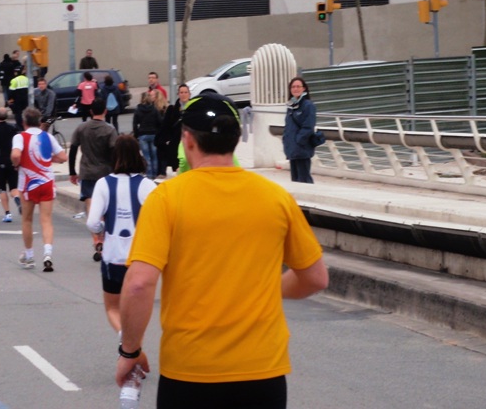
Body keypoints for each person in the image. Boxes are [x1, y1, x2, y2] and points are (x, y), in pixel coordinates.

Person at [116, 94, 329, 406]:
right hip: (262, 372)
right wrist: (269, 288)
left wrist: (130, 351)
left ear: (187, 141)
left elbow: (138, 284)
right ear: (236, 139)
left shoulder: (166, 199)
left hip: (190, 372)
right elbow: (315, 279)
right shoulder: (275, 198)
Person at [87, 134, 156, 333]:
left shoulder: (103, 184)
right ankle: (133, 345)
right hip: (139, 259)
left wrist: (100, 233)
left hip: (113, 257)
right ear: (138, 156)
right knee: (138, 312)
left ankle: (124, 340)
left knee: (113, 308)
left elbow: (93, 222)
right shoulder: (147, 186)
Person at [11, 107, 67, 272]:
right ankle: (47, 254)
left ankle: (29, 255)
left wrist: (17, 164)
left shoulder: (20, 137)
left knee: (27, 219)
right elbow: (63, 157)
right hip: (47, 182)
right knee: (46, 220)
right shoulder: (48, 137)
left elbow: (15, 155)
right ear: (40, 122)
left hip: (28, 183)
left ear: (24, 122)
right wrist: (50, 159)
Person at [68, 97, 118, 259]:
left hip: (87, 173)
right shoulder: (110, 130)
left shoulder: (82, 128)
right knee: (105, 208)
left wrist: (72, 172)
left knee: (91, 208)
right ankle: (104, 238)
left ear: (90, 111)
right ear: (105, 111)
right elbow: (114, 153)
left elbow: (73, 149)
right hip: (105, 173)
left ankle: (96, 240)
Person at [0, 108, 21, 222]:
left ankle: (7, 214)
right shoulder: (14, 128)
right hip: (12, 159)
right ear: (7, 116)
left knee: (2, 188)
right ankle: (17, 199)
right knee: (14, 187)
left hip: (0, 161)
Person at [283, 77, 317, 184]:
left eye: (298, 86)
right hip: (292, 149)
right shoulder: (291, 106)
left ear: (304, 89)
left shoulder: (308, 105)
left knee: (304, 179)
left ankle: (309, 199)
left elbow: (308, 126)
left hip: (302, 148)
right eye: (293, 87)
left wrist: (299, 141)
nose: (295, 89)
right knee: (295, 180)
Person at [157, 84, 190, 178]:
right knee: (177, 168)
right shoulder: (172, 109)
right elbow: (165, 126)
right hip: (175, 143)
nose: (183, 94)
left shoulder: (193, 108)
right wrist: (167, 140)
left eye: (185, 92)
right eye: (181, 92)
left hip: (189, 142)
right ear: (178, 94)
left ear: (189, 94)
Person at [133, 92, 162, 179]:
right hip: (153, 134)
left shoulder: (138, 110)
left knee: (146, 156)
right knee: (154, 156)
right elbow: (160, 122)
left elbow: (135, 124)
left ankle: (149, 175)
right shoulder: (154, 109)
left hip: (143, 135)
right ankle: (155, 174)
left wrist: (136, 134)